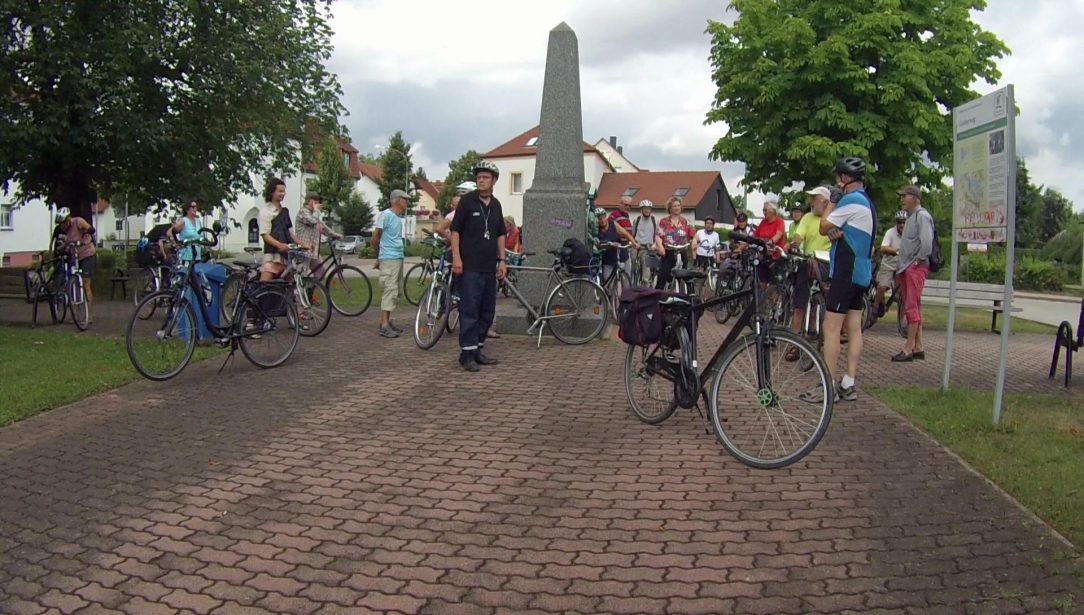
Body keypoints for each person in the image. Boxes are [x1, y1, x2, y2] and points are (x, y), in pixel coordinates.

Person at [809, 157, 875, 403]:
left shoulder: (850, 200)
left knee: (831, 328)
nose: (837, 183)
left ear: (846, 179)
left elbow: (823, 227)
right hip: (862, 272)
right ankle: (849, 382)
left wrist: (831, 204)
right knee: (854, 326)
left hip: (845, 272)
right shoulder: (868, 203)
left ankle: (827, 384)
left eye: (839, 178)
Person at [451, 161, 507, 372]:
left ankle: (477, 349)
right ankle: (466, 353)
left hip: (488, 266)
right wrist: (457, 258)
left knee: (487, 311)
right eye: (479, 177)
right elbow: (455, 231)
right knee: (470, 309)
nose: (481, 180)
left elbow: (500, 234)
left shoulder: (497, 205)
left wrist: (502, 261)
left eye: (485, 177)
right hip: (469, 266)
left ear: (493, 180)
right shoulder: (467, 202)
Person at [786, 187, 833, 355]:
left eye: (815, 198)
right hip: (809, 262)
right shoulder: (807, 217)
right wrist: (793, 245)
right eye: (810, 198)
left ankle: (829, 339)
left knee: (832, 305)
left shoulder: (835, 218)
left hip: (828, 264)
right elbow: (799, 236)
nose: (811, 202)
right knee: (800, 303)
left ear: (826, 201)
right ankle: (793, 342)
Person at [893, 185, 935, 362]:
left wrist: (917, 260)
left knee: (911, 306)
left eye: (905, 196)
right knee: (913, 305)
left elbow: (926, 243)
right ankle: (918, 346)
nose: (902, 199)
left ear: (915, 198)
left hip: (914, 267)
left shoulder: (922, 216)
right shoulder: (911, 217)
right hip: (907, 267)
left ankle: (908, 347)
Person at [372, 189, 409, 338]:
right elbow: (375, 238)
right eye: (405, 200)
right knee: (390, 290)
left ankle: (386, 321)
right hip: (389, 258)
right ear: (398, 200)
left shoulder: (397, 218)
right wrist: (379, 256)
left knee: (395, 291)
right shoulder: (385, 215)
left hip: (397, 258)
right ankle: (384, 325)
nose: (407, 203)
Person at [53, 207, 97, 321]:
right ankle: (77, 315)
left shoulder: (78, 221)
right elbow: (67, 242)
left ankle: (89, 315)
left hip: (87, 254)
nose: (61, 226)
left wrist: (88, 230)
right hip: (76, 257)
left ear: (68, 220)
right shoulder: (66, 231)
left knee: (86, 283)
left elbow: (89, 228)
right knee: (75, 283)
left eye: (62, 223)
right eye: (60, 224)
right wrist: (60, 249)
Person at [258, 177, 299, 282]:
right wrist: (279, 245)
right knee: (264, 288)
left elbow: (290, 234)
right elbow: (265, 235)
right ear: (272, 192)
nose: (282, 194)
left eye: (284, 191)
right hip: (272, 255)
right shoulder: (266, 211)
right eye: (280, 191)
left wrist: (302, 244)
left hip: (286, 256)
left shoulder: (285, 212)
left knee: (289, 288)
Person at [295, 192, 342, 276]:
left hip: (313, 249)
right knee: (302, 274)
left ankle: (311, 288)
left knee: (320, 272)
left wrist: (335, 235)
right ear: (309, 201)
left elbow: (322, 227)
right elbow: (312, 221)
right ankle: (300, 288)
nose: (318, 204)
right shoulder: (303, 212)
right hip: (303, 249)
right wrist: (316, 210)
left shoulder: (314, 214)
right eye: (315, 201)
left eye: (318, 202)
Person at [653, 197, 694, 290]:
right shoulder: (664, 221)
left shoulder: (685, 221)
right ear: (670, 208)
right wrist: (660, 246)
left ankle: (690, 298)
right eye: (674, 206)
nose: (677, 208)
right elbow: (658, 235)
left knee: (687, 276)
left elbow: (693, 234)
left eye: (678, 206)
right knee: (663, 276)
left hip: (682, 251)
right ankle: (657, 299)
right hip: (669, 251)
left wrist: (694, 241)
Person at [874, 210, 907, 317]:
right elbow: (883, 248)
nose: (902, 224)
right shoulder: (890, 232)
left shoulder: (910, 234)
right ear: (896, 223)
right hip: (888, 265)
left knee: (904, 292)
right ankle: (875, 306)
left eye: (904, 222)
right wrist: (894, 251)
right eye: (899, 222)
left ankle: (902, 318)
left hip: (902, 267)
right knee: (882, 286)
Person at [752, 199, 787, 286]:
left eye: (765, 210)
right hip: (763, 255)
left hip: (775, 257)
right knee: (762, 282)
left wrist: (771, 241)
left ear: (772, 211)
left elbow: (778, 235)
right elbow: (754, 235)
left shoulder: (780, 222)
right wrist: (744, 244)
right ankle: (763, 298)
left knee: (773, 285)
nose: (763, 212)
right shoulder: (763, 222)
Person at [608, 196, 637, 276]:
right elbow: (612, 229)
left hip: (626, 248)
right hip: (618, 247)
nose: (627, 207)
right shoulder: (615, 215)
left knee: (627, 273)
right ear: (620, 204)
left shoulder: (626, 216)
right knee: (620, 273)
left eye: (629, 206)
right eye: (625, 205)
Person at [169, 199, 204, 263]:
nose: (195, 209)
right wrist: (175, 245)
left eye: (196, 207)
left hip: (197, 256)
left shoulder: (198, 221)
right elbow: (169, 232)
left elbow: (200, 236)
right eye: (193, 207)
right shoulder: (183, 221)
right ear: (187, 209)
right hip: (186, 256)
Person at [632, 200, 657, 284]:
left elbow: (656, 235)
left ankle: (645, 283)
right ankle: (632, 280)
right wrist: (635, 243)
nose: (647, 210)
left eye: (649, 209)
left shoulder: (654, 220)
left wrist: (654, 244)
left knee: (646, 267)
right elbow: (633, 233)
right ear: (641, 210)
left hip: (648, 247)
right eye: (645, 209)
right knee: (632, 262)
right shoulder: (637, 219)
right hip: (638, 245)